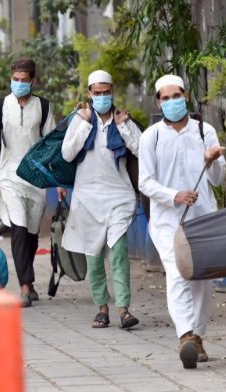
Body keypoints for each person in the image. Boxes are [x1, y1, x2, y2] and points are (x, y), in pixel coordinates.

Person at [138, 74, 226, 369]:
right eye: (166, 98)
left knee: (202, 278)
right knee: (177, 273)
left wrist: (211, 161)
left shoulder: (205, 131)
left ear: (186, 96)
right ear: (158, 102)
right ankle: (185, 335)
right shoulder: (151, 136)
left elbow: (218, 179)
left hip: (203, 218)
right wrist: (174, 195)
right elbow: (145, 183)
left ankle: (198, 337)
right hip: (166, 220)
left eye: (177, 96)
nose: (172, 102)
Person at [59, 70, 142, 329]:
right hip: (86, 199)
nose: (103, 97)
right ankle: (102, 308)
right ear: (89, 94)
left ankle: (124, 309)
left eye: (107, 93)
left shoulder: (124, 120)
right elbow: (67, 154)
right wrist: (84, 123)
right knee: (93, 257)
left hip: (119, 196)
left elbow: (141, 149)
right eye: (98, 93)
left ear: (112, 91)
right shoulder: (80, 119)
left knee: (118, 253)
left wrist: (122, 127)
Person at [0, 58, 55, 307]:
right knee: (19, 229)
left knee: (31, 234)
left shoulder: (42, 107)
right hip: (9, 176)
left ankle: (29, 281)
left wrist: (59, 181)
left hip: (36, 180)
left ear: (33, 80)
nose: (19, 84)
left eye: (24, 80)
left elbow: (52, 145)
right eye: (15, 80)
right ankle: (24, 287)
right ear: (10, 78)